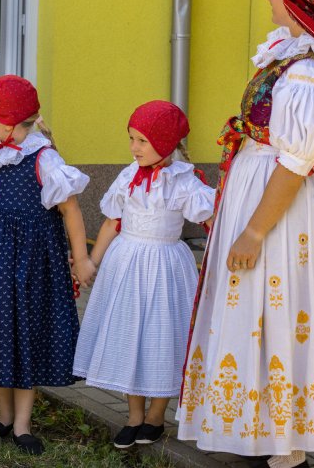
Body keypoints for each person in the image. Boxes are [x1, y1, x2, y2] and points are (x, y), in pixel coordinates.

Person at [177, 0, 314, 466]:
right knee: (259, 310)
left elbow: (295, 162)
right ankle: (263, 431)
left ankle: (288, 446)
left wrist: (253, 231)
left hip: (282, 209)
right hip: (261, 188)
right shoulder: (289, 53)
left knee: (279, 306)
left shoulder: (312, 72)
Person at [0, 75, 94, 455]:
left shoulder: (44, 159)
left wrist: (80, 259)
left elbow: (71, 210)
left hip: (32, 266)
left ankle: (23, 424)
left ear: (10, 124)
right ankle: (3, 416)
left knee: (25, 334)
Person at [72, 101, 214, 449]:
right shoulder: (127, 176)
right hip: (126, 264)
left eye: (142, 141)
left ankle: (156, 416)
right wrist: (91, 260)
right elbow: (111, 221)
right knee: (129, 334)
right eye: (132, 138)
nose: (134, 147)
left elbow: (211, 221)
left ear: (166, 144)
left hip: (166, 265)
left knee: (162, 336)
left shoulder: (184, 181)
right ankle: (134, 415)